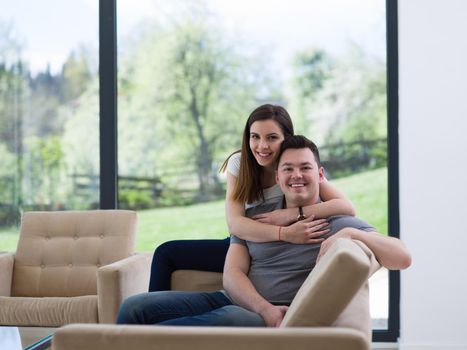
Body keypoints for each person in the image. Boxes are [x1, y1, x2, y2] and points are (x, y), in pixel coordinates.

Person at [117, 135, 411, 326]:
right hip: (231, 299)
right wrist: (260, 305)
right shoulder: (257, 217)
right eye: (288, 169)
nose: (297, 175)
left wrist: (353, 236)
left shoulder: (337, 222)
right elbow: (233, 273)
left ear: (320, 175)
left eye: (305, 168)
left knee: (164, 332)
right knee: (134, 307)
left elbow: (402, 257)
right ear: (277, 176)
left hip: (250, 317)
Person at [149, 104, 355, 291]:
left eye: (272, 137)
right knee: (165, 253)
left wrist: (291, 214)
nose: (261, 146)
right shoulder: (239, 164)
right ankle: (148, 329)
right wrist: (284, 232)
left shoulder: (295, 167)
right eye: (255, 136)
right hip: (248, 244)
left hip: (279, 250)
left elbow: (346, 206)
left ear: (287, 138)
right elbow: (235, 225)